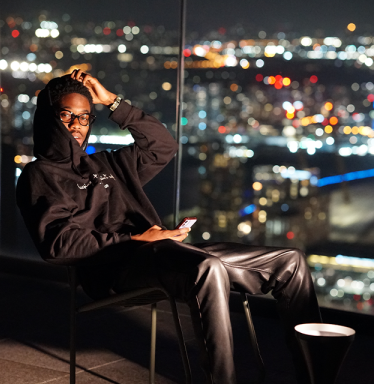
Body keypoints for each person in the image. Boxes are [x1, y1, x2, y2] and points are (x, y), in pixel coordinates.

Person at [16, 69, 322, 384]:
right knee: (207, 268)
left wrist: (111, 101)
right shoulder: (40, 176)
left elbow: (162, 145)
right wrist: (133, 238)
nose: (76, 126)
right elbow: (57, 246)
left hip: (160, 251)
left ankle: (316, 375)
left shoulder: (109, 163)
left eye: (84, 117)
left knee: (291, 262)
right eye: (67, 115)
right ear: (50, 118)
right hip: (115, 267)